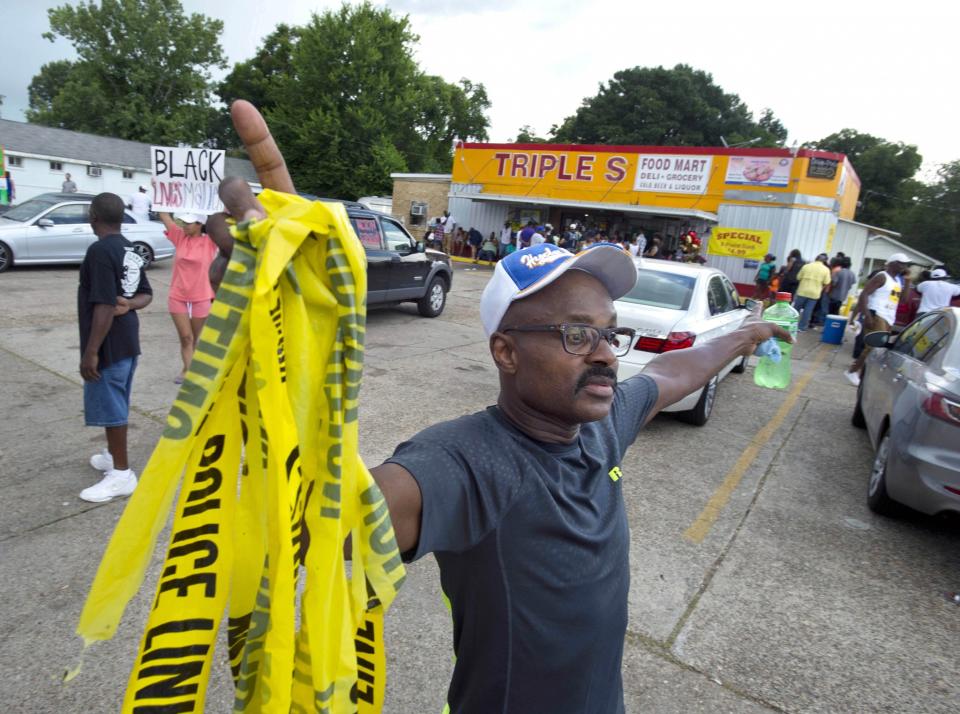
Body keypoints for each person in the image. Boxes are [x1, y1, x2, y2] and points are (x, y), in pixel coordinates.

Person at [208, 100, 793, 713]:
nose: (606, 356)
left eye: (609, 333)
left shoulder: (599, 425)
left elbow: (674, 371)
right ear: (506, 352)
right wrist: (291, 339)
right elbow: (330, 522)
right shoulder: (467, 463)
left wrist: (744, 336)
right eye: (575, 334)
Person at [78, 192, 153, 503]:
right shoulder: (129, 249)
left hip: (109, 342)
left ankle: (121, 474)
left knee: (112, 407)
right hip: (127, 340)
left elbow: (105, 305)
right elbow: (146, 295)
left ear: (94, 216)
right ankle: (112, 456)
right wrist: (130, 305)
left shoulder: (99, 250)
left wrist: (91, 351)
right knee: (117, 400)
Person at [156, 209, 218, 383]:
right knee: (186, 337)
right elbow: (164, 216)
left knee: (195, 338)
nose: (184, 225)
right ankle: (187, 371)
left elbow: (226, 225)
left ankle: (193, 367)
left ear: (200, 224)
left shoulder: (210, 242)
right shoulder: (179, 236)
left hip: (202, 296)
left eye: (188, 223)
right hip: (178, 295)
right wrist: (160, 189)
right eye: (183, 222)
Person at [844, 252, 911, 386]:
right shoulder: (882, 276)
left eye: (905, 264)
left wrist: (908, 281)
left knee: (878, 349)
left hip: (889, 317)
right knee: (874, 346)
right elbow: (864, 294)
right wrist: (867, 315)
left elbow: (903, 299)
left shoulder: (898, 280)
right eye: (901, 263)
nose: (904, 266)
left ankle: (861, 374)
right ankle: (852, 371)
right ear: (892, 263)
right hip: (877, 314)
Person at [793, 253, 831, 331]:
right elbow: (827, 282)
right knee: (808, 311)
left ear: (816, 258)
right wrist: (821, 288)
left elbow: (798, 277)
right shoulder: (826, 269)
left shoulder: (806, 266)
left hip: (802, 290)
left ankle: (791, 325)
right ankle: (802, 327)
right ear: (824, 261)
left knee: (796, 309)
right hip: (815, 293)